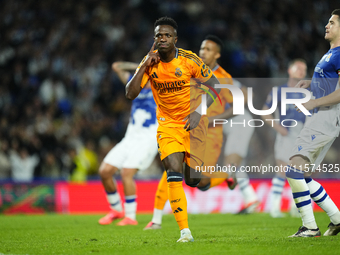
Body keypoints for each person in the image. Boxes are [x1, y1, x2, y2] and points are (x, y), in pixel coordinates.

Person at [125, 18, 222, 242]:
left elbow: (215, 85)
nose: (163, 39)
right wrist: (144, 66)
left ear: (175, 39)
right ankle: (185, 232)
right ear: (155, 39)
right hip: (168, 126)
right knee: (173, 172)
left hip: (193, 125)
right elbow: (130, 93)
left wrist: (199, 111)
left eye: (167, 35)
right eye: (159, 35)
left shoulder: (189, 60)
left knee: (193, 180)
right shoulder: (150, 63)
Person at [143, 35, 236, 231]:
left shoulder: (225, 78)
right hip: (182, 127)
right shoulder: (190, 66)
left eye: (209, 50)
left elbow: (236, 107)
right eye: (202, 48)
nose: (203, 52)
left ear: (217, 55)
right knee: (171, 170)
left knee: (199, 182)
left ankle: (226, 174)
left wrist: (209, 119)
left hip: (209, 136)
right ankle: (157, 219)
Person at [287, 9, 340, 237]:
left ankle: (310, 227)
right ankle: (337, 219)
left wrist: (313, 103)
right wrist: (311, 83)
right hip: (322, 115)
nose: (327, 25)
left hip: (326, 115)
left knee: (293, 169)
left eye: (332, 22)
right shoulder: (331, 53)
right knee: (303, 174)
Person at [98, 61, 158, 226]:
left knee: (126, 173)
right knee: (105, 171)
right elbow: (116, 66)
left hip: (148, 140)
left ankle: (130, 216)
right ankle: (116, 209)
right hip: (129, 139)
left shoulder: (160, 88)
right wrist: (140, 66)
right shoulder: (135, 86)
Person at [261, 59, 307, 218]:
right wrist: (278, 128)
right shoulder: (279, 91)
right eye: (298, 68)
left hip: (303, 135)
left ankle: (297, 207)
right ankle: (274, 207)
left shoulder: (308, 93)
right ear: (289, 70)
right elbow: (264, 112)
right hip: (286, 134)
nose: (302, 71)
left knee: (301, 173)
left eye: (304, 69)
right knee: (282, 170)